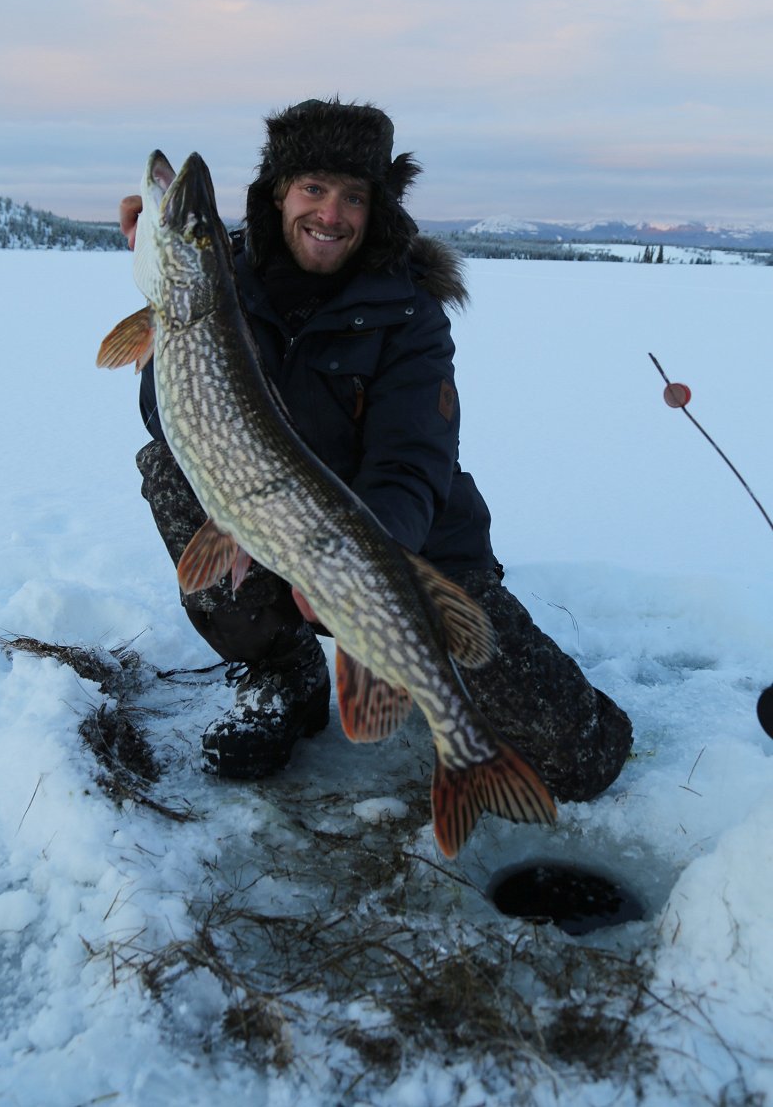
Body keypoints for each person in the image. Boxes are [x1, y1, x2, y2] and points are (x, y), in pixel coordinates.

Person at [121, 98, 632, 800]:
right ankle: (284, 672)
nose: (331, 214)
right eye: (313, 189)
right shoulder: (223, 283)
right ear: (279, 194)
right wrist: (169, 311)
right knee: (171, 475)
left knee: (577, 760)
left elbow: (411, 462)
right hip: (275, 527)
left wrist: (353, 574)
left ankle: (447, 720)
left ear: (375, 208)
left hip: (410, 547)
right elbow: (175, 419)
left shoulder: (411, 313)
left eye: (353, 196)